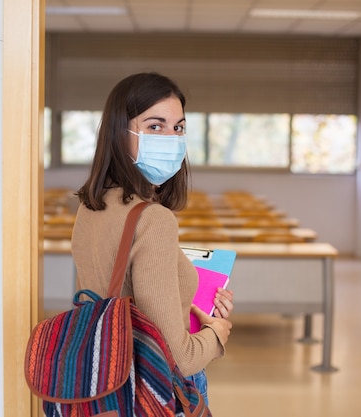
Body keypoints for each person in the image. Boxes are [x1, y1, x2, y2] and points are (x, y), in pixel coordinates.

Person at [71, 72, 234, 405]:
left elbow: (121, 296)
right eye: (155, 126)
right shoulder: (154, 219)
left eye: (178, 128)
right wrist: (215, 335)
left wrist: (191, 304)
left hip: (102, 378)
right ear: (120, 133)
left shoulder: (91, 207)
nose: (171, 138)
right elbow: (178, 359)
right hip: (151, 393)